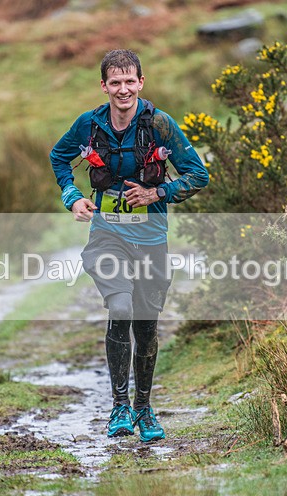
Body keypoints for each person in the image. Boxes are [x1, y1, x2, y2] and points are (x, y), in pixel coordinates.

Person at [50, 49, 209, 442]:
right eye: (115, 82)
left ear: (141, 82)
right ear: (104, 86)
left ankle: (144, 407)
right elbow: (59, 157)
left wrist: (158, 193)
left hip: (152, 240)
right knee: (119, 307)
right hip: (107, 235)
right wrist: (72, 196)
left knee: (146, 326)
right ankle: (119, 406)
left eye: (129, 81)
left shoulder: (160, 125)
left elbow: (198, 175)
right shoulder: (88, 125)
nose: (123, 89)